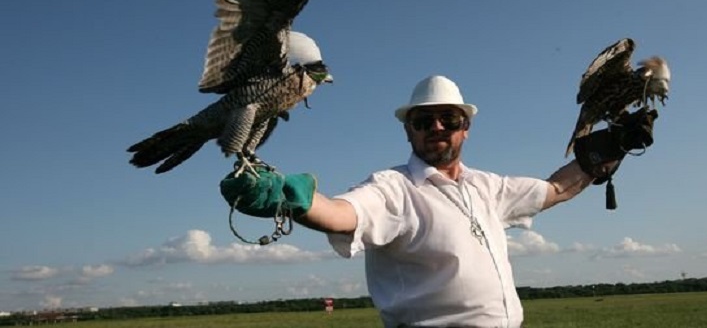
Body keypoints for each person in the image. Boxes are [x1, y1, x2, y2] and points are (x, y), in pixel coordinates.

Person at [221, 75, 656, 328]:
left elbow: (556, 189)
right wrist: (294, 199)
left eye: (450, 119)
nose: (438, 127)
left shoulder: (487, 187)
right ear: (408, 130)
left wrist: (609, 150)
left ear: (466, 128)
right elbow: (341, 214)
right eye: (424, 120)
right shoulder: (393, 188)